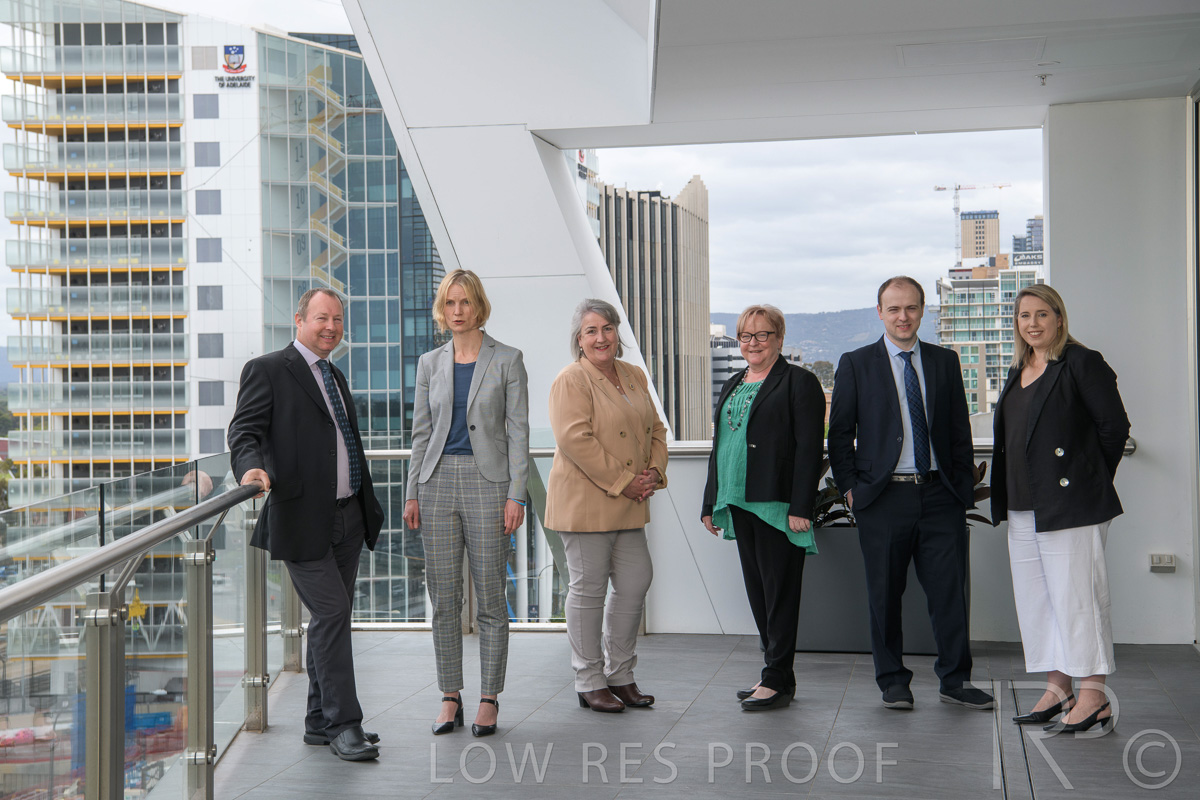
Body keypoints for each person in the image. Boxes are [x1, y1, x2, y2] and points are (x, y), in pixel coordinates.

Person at [227, 288, 385, 761]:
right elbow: (244, 431)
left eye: (337, 319)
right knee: (332, 613)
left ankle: (318, 721)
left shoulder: (334, 374)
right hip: (301, 518)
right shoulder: (268, 369)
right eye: (321, 318)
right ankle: (344, 724)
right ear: (299, 320)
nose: (331, 327)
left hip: (349, 516)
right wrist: (250, 470)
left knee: (330, 619)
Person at [827, 276, 993, 712]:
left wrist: (961, 488)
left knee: (949, 594)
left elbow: (958, 430)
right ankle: (893, 681)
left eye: (912, 308)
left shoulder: (944, 361)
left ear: (923, 310)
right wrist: (851, 489)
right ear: (880, 313)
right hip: (883, 498)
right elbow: (839, 434)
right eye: (894, 309)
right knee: (885, 595)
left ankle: (955, 680)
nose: (903, 317)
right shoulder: (856, 363)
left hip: (940, 495)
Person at [991, 284, 1129, 734]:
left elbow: (1114, 427)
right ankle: (1058, 688)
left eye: (1041, 314)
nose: (1032, 323)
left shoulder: (1081, 362)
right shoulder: (1019, 368)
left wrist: (1088, 480)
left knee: (1078, 600)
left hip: (1070, 504)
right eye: (1024, 315)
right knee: (1039, 601)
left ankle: (1093, 695)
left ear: (1059, 318)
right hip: (1022, 503)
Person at [403, 269, 529, 738]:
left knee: (491, 597)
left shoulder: (508, 359)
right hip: (436, 484)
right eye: (450, 303)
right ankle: (450, 694)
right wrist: (411, 491)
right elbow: (420, 433)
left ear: (479, 307)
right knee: (444, 597)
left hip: (489, 484)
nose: (457, 311)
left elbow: (518, 434)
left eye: (465, 302)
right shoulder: (428, 363)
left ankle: (489, 697)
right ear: (443, 309)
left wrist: (517, 494)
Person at [701, 305, 825, 711]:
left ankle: (775, 677)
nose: (753, 343)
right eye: (745, 336)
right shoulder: (734, 382)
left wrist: (801, 505)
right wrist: (710, 500)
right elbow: (721, 445)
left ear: (779, 338)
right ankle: (777, 676)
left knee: (780, 594)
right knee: (759, 593)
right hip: (737, 498)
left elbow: (810, 448)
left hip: (777, 502)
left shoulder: (799, 382)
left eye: (762, 334)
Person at [546, 299, 667, 713]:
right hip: (585, 502)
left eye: (607, 329)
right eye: (591, 331)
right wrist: (625, 482)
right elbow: (574, 440)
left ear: (617, 333)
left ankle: (620, 674)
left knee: (635, 582)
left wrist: (654, 473)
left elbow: (656, 430)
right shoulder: (571, 379)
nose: (601, 337)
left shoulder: (634, 375)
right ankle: (589, 680)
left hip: (630, 500)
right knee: (589, 590)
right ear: (579, 340)